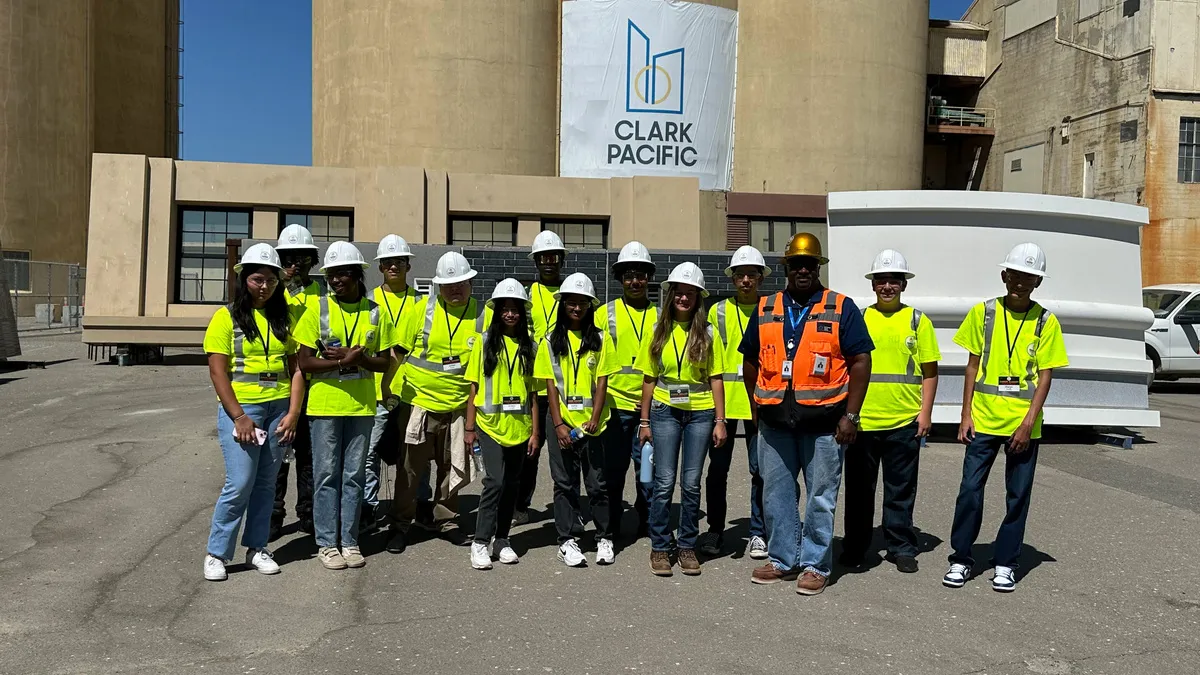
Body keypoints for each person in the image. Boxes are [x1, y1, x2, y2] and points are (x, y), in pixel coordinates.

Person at [742, 233, 874, 596]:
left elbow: (861, 361)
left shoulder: (840, 307)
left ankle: (815, 563)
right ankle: (783, 559)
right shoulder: (767, 306)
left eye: (809, 265)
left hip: (825, 425)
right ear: (786, 268)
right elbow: (750, 360)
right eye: (795, 264)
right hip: (775, 423)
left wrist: (851, 416)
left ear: (818, 268)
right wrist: (755, 406)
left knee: (821, 496)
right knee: (777, 495)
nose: (802, 270)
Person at [943, 243, 1067, 593]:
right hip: (982, 420)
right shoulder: (983, 313)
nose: (1021, 282)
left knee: (1017, 495)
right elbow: (971, 367)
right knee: (969, 491)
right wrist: (964, 414)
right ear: (1004, 275)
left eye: (1030, 276)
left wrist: (1029, 423)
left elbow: (1045, 376)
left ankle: (1005, 562)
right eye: (1015, 274)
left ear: (1037, 282)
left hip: (1022, 426)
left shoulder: (1045, 321)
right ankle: (961, 558)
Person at [202, 244, 305, 581]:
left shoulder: (284, 318)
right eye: (257, 279)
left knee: (266, 484)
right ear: (244, 279)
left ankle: (257, 547)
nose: (264, 287)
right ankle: (217, 553)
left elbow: (297, 370)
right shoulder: (225, 317)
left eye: (271, 281)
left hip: (278, 409)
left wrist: (292, 414)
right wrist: (239, 416)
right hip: (243, 409)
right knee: (240, 482)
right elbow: (218, 372)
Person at [295, 241, 397, 571]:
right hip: (325, 406)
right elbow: (305, 363)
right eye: (331, 276)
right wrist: (341, 364)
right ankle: (327, 543)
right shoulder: (317, 310)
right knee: (327, 476)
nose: (336, 281)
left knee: (353, 475)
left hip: (362, 407)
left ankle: (350, 541)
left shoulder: (374, 312)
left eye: (342, 274)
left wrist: (360, 358)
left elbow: (385, 362)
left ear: (356, 275)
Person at [841, 249, 940, 574]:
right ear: (873, 285)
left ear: (903, 285)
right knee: (858, 491)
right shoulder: (861, 318)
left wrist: (924, 414)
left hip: (903, 422)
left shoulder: (917, 321)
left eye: (893, 281)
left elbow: (929, 371)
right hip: (863, 422)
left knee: (900, 490)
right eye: (881, 280)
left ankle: (900, 546)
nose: (887, 287)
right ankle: (855, 548)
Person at [386, 252, 486, 553]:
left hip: (458, 408)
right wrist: (388, 392)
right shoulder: (421, 310)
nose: (456, 289)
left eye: (461, 284)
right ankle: (401, 525)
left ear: (470, 282)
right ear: (438, 287)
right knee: (409, 470)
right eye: (449, 285)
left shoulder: (483, 315)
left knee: (451, 465)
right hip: (418, 404)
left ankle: (447, 519)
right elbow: (397, 354)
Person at [638, 262, 726, 578]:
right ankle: (661, 547)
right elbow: (649, 378)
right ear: (671, 295)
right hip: (664, 411)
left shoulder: (709, 333)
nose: (684, 299)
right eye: (680, 292)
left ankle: (687, 544)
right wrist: (644, 422)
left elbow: (716, 378)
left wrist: (720, 420)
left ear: (698, 298)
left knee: (690, 483)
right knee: (663, 483)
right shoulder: (657, 331)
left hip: (700, 413)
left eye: (690, 293)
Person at [534, 272, 619, 567]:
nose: (577, 307)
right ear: (563, 304)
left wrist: (594, 419)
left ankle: (604, 537)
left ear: (590, 306)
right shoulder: (549, 341)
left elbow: (603, 383)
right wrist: (558, 425)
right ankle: (567, 540)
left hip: (594, 424)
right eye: (571, 301)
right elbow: (550, 387)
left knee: (597, 484)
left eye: (583, 302)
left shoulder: (600, 339)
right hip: (562, 423)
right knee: (564, 484)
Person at [465, 279, 541, 570]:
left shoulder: (529, 346)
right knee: (494, 481)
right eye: (505, 309)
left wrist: (535, 432)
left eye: (515, 310)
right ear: (496, 312)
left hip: (519, 428)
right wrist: (470, 428)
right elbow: (473, 387)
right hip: (490, 425)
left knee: (512, 484)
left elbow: (533, 394)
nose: (510, 314)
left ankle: (502, 539)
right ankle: (480, 542)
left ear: (522, 314)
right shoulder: (484, 343)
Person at [700, 246, 768, 559]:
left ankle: (758, 531)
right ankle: (715, 529)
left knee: (761, 471)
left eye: (751, 275)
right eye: (740, 275)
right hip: (724, 405)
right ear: (732, 278)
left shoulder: (770, 309)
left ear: (760, 278)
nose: (745, 280)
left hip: (759, 402)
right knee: (717, 472)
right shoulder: (717, 311)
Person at [597, 242, 657, 540]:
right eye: (629, 275)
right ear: (621, 278)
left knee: (647, 471)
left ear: (649, 278)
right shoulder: (603, 314)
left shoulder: (661, 316)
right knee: (614, 470)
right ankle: (611, 524)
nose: (635, 281)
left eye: (641, 274)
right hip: (614, 406)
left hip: (648, 408)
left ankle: (646, 519)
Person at [364, 234, 422, 530]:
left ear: (408, 265)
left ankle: (416, 507)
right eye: (388, 262)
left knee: (413, 454)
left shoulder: (422, 303)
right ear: (380, 266)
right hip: (375, 390)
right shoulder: (368, 300)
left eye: (399, 261)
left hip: (412, 390)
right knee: (370, 454)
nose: (394, 266)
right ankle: (369, 508)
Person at [271, 223, 323, 539]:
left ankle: (308, 513)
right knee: (277, 458)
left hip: (313, 386)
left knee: (308, 455)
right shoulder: (270, 294)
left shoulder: (321, 294)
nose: (294, 265)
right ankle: (273, 516)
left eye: (301, 259)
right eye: (288, 259)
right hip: (278, 386)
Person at [513, 230, 568, 526]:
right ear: (535, 261)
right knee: (529, 451)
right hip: (532, 384)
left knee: (564, 453)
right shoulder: (526, 293)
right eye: (543, 257)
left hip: (563, 386)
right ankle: (520, 506)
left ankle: (567, 507)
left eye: (553, 257)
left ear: (560, 260)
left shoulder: (572, 291)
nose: (549, 262)